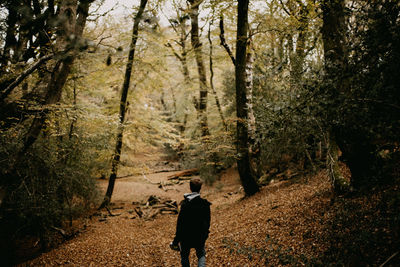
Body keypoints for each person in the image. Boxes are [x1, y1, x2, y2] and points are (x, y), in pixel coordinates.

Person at [170, 177, 211, 267]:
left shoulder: (185, 205)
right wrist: (205, 234)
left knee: (184, 256)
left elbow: (180, 225)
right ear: (200, 188)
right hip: (200, 236)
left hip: (185, 237)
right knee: (201, 255)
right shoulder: (205, 204)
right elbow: (207, 223)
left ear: (190, 188)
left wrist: (176, 241)